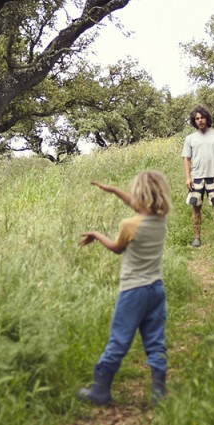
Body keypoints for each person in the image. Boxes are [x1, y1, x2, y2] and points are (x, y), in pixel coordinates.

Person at [76, 171, 172, 407]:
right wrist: (113, 190)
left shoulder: (129, 225)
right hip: (156, 289)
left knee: (119, 339)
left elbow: (117, 248)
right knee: (155, 340)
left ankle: (100, 390)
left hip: (133, 291)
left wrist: (96, 235)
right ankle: (158, 391)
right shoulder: (161, 221)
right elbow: (139, 207)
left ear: (139, 195)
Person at [181, 105, 214, 248]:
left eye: (202, 117)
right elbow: (186, 159)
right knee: (196, 207)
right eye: (197, 119)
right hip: (196, 179)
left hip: (213, 177)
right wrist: (188, 178)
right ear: (194, 121)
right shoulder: (190, 139)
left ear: (207, 118)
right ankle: (197, 238)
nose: (200, 120)